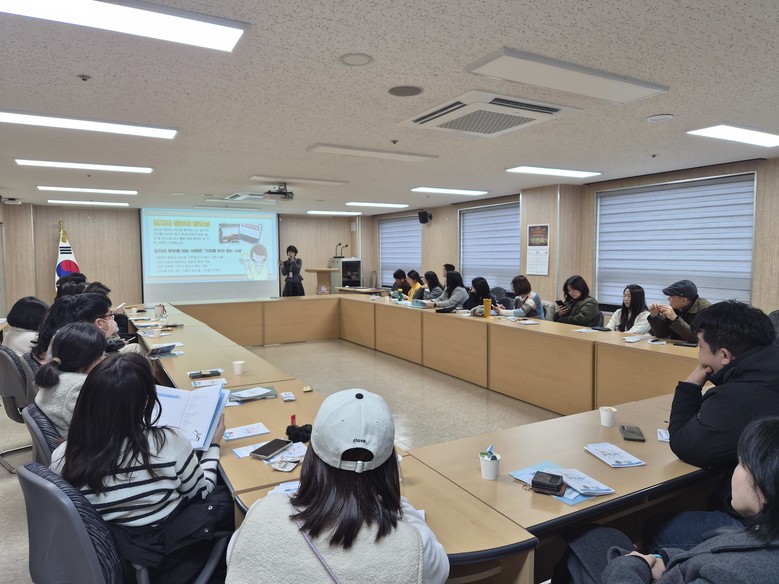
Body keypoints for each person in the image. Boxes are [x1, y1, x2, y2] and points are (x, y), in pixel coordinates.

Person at [225, 389, 449, 584]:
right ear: (389, 465)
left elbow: (234, 559)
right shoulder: (416, 547)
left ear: (311, 457)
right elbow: (439, 570)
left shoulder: (262, 513)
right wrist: (396, 501)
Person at [50, 352, 232, 583]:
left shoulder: (63, 455)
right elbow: (200, 492)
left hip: (111, 559)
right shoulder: (167, 442)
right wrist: (213, 446)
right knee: (228, 497)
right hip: (166, 555)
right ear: (146, 401)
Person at [555, 416, 779, 584]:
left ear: (764, 490)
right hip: (669, 570)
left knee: (588, 538)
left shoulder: (734, 574)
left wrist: (631, 566)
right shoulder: (764, 536)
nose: (735, 471)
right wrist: (664, 560)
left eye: (742, 464)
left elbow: (721, 565)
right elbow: (715, 556)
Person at [668, 301, 779, 470]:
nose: (699, 356)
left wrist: (690, 385)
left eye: (700, 347)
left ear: (724, 355)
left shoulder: (734, 398)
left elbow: (684, 444)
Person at [34, 322, 107, 435]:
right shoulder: (79, 386)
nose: (104, 358)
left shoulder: (53, 375)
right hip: (82, 443)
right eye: (102, 354)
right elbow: (103, 428)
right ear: (91, 359)